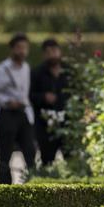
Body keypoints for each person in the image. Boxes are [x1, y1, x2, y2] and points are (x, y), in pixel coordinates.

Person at [0, 33, 36, 183]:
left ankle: (33, 184)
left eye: (25, 48)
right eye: (19, 48)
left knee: (30, 151)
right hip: (7, 114)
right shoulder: (2, 69)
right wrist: (7, 101)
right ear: (12, 49)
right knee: (5, 155)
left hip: (22, 114)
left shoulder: (26, 67)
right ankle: (5, 189)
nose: (22, 51)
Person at [29, 38, 70, 166]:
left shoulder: (69, 71)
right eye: (48, 52)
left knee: (71, 159)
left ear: (60, 52)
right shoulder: (36, 73)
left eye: (54, 51)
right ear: (44, 55)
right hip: (45, 126)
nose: (52, 55)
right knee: (47, 161)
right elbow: (29, 95)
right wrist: (43, 97)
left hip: (68, 123)